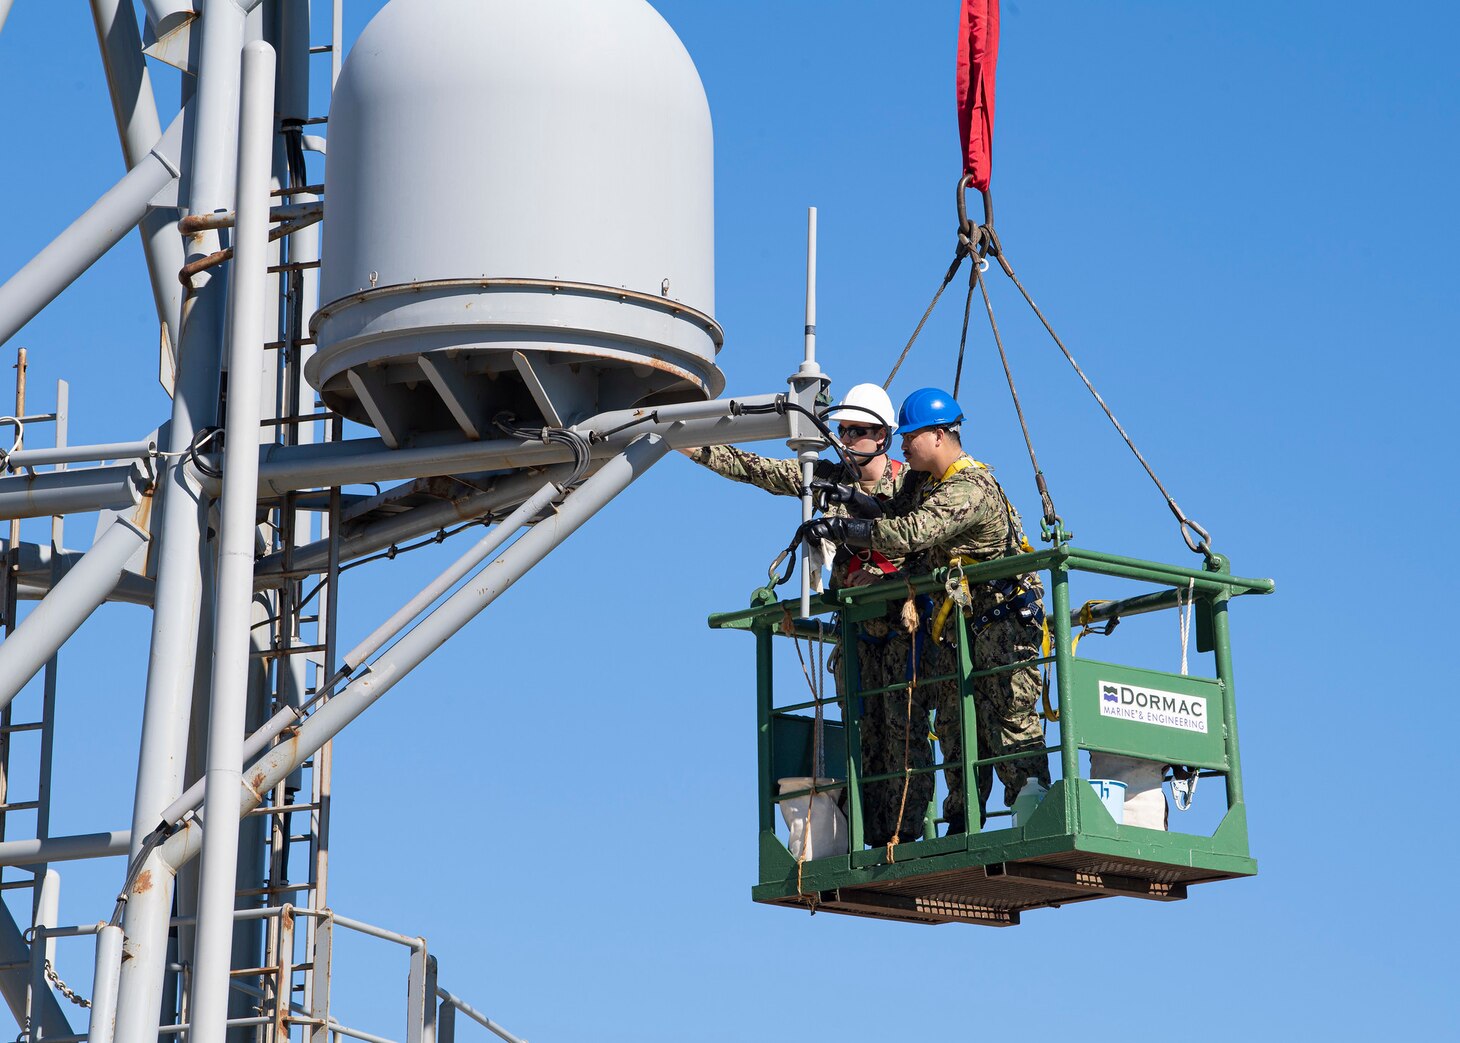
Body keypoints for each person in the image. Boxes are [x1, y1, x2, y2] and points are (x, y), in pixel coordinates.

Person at [682, 383, 933, 846]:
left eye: (858, 431)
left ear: (883, 436)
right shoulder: (830, 483)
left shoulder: (912, 487)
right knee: (863, 733)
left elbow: (930, 548)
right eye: (842, 431)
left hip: (903, 631)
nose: (847, 439)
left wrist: (887, 582)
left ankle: (906, 832)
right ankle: (873, 832)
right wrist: (690, 444)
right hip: (856, 636)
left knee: (905, 733)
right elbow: (762, 471)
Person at [804, 387, 1051, 834]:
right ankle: (962, 820)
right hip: (960, 625)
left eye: (911, 435)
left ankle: (1034, 816)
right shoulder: (926, 483)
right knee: (956, 728)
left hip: (1004, 623)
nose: (902, 445)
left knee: (1011, 721)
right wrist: (850, 501)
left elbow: (911, 532)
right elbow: (890, 512)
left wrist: (842, 527)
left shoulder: (969, 488)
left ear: (939, 436)